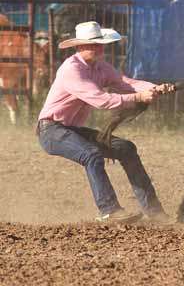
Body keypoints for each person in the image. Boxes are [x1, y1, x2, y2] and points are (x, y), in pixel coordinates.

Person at [37, 21, 175, 224]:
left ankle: (154, 212)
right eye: (94, 44)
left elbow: (126, 83)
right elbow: (101, 100)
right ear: (79, 46)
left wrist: (155, 88)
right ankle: (109, 211)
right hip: (51, 131)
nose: (99, 48)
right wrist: (138, 98)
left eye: (100, 44)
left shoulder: (101, 67)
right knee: (91, 155)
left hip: (70, 130)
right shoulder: (71, 70)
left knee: (126, 148)